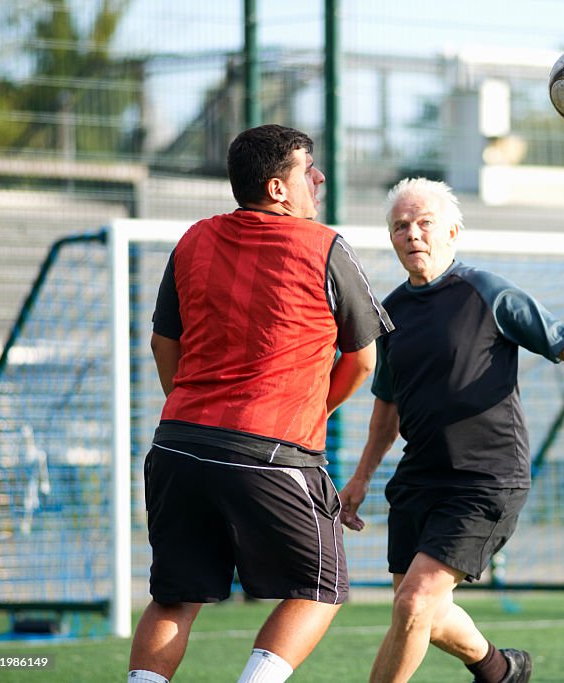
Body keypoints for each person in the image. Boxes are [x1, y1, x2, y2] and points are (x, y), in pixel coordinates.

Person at [128, 124, 393, 683]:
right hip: (271, 450)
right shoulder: (324, 245)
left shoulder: (194, 238)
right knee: (320, 588)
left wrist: (191, 409)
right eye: (308, 169)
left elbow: (161, 342)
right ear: (278, 188)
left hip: (177, 443)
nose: (318, 177)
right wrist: (314, 411)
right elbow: (364, 360)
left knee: (175, 597)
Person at [339, 178, 564, 683]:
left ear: (452, 231)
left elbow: (562, 338)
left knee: (415, 602)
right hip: (419, 478)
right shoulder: (391, 313)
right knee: (426, 609)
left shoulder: (486, 292)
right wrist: (360, 479)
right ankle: (500, 670)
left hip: (485, 478)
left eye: (424, 223)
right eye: (400, 226)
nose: (413, 234)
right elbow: (387, 407)